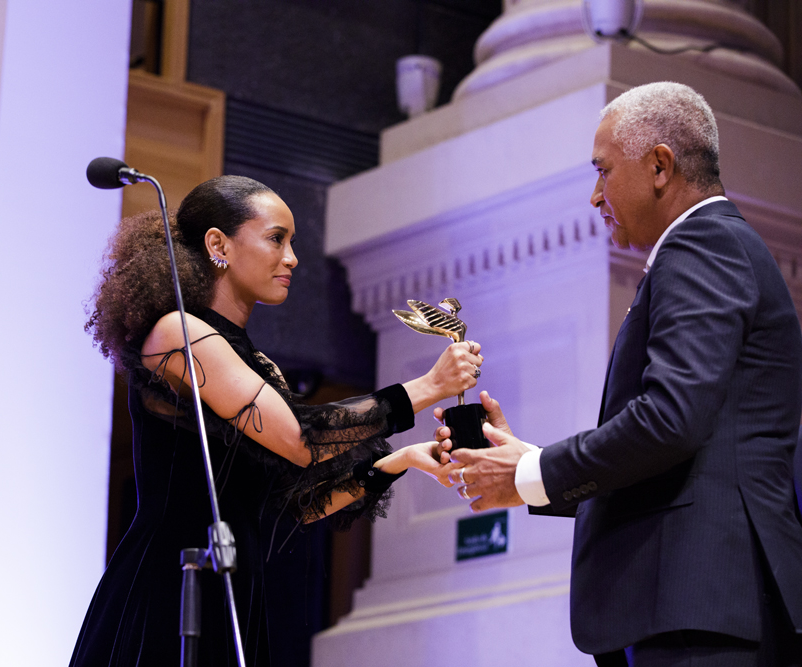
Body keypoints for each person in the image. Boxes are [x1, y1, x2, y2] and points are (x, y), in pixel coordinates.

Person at [440, 82, 802, 666]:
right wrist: (524, 473)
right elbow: (683, 455)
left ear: (660, 165)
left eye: (603, 171)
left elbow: (669, 423)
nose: (594, 195)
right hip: (699, 605)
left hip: (704, 606)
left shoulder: (702, 245)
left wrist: (536, 470)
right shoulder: (710, 249)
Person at [69, 175, 477, 667]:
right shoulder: (177, 333)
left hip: (234, 587)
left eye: (292, 242)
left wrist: (403, 460)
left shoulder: (258, 366)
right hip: (173, 584)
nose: (292, 257)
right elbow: (299, 438)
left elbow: (293, 505)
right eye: (276, 238)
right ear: (218, 244)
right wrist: (427, 388)